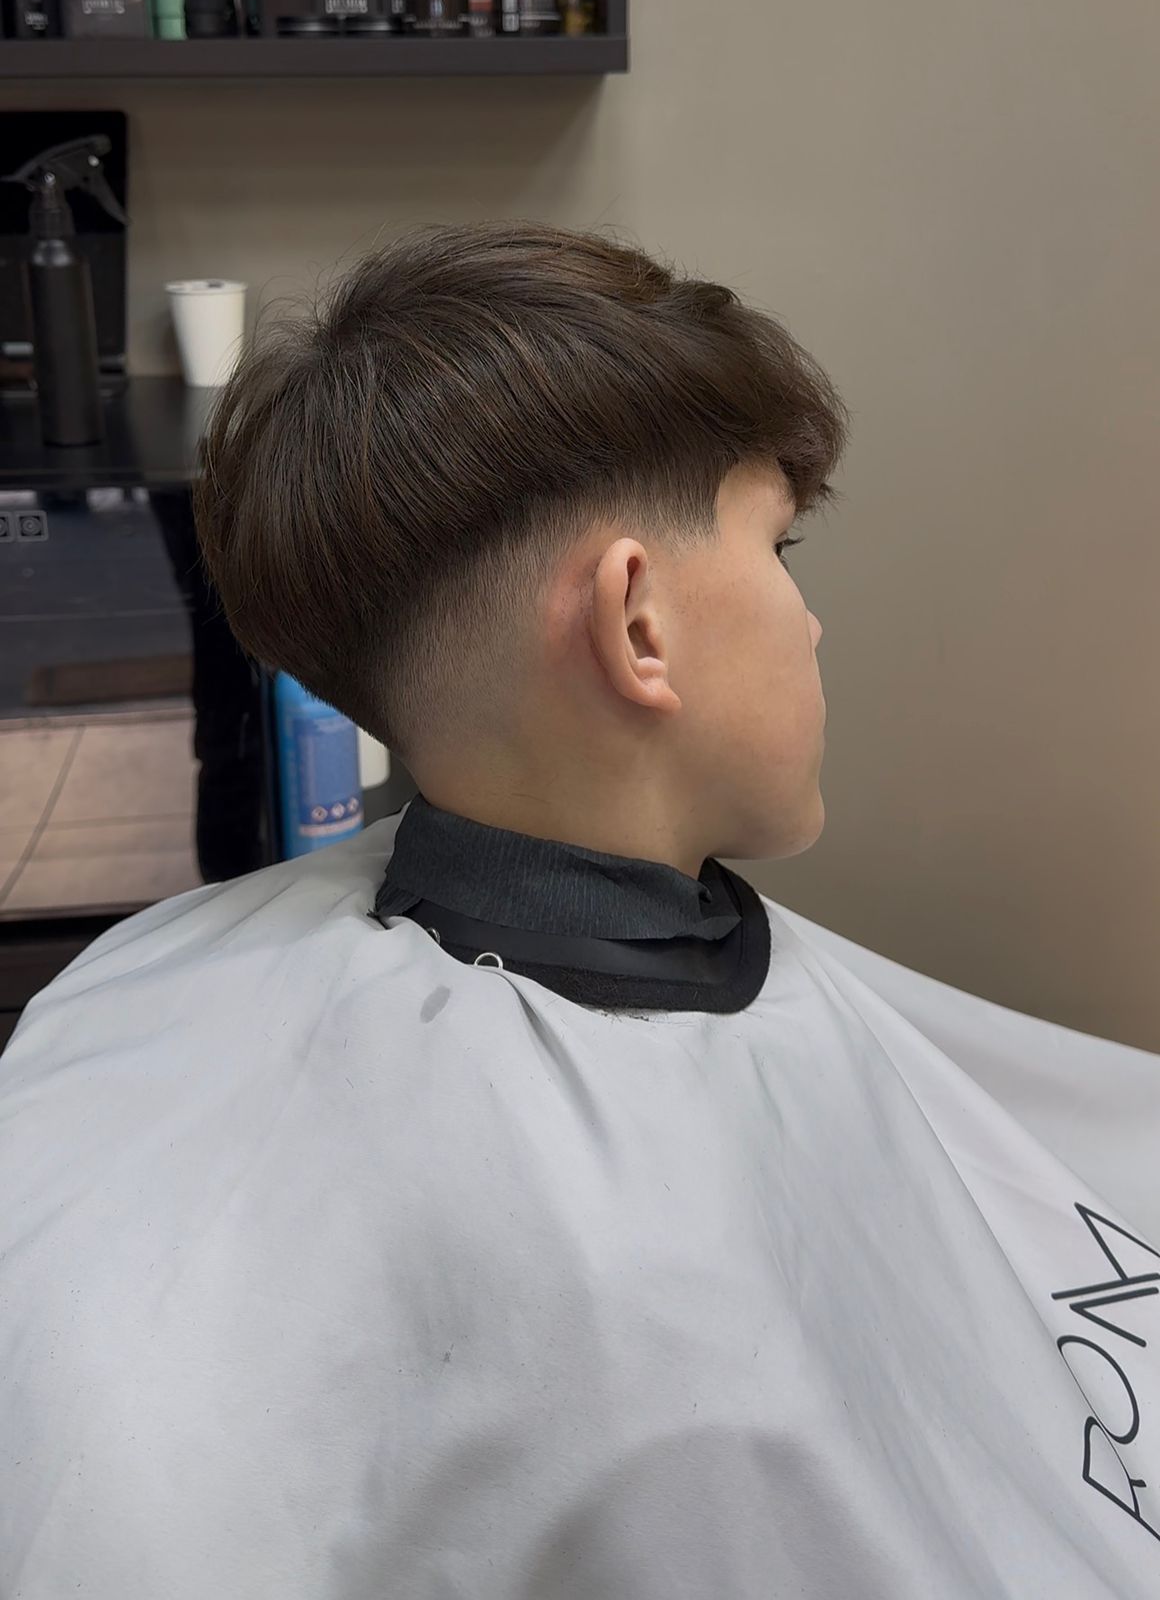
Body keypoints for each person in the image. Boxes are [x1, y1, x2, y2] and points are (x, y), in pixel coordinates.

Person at [0, 223, 1157, 1600]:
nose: (810, 621)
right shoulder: (644, 1309)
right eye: (780, 548)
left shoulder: (125, 994)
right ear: (639, 624)